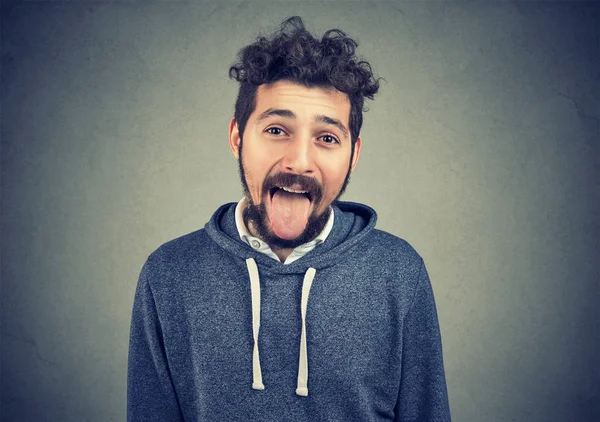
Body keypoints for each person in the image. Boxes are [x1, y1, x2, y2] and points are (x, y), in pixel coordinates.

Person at [127, 16, 451, 422]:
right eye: (277, 129)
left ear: (354, 154)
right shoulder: (169, 274)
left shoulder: (399, 272)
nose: (299, 161)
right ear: (237, 138)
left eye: (327, 138)